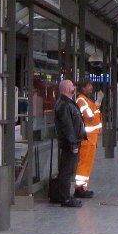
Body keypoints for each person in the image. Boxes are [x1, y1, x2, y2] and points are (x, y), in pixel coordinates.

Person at [52, 79, 87, 208]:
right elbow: (67, 127)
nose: (74, 87)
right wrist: (73, 145)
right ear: (67, 88)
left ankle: (65, 195)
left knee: (68, 170)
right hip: (70, 144)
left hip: (73, 142)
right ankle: (65, 198)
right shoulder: (64, 105)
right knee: (67, 170)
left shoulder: (67, 103)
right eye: (72, 86)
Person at [74, 79, 102, 198]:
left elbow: (93, 111)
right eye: (89, 86)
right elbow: (89, 116)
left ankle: (83, 187)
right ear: (83, 88)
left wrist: (98, 102)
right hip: (87, 138)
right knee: (84, 162)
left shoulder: (86, 100)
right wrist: (95, 109)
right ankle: (79, 188)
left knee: (88, 163)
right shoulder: (81, 100)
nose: (91, 87)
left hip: (92, 137)